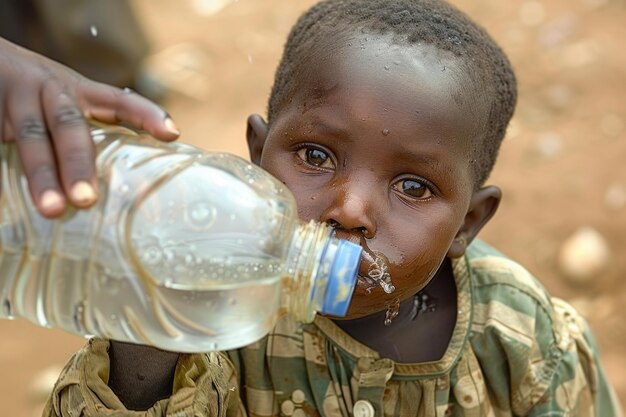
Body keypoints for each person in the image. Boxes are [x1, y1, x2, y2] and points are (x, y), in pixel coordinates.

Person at [0, 0, 621, 415]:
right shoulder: (217, 306)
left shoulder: (518, 334)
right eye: (317, 156)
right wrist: (152, 322)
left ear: (468, 224)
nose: (349, 209)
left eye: (412, 187)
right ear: (255, 156)